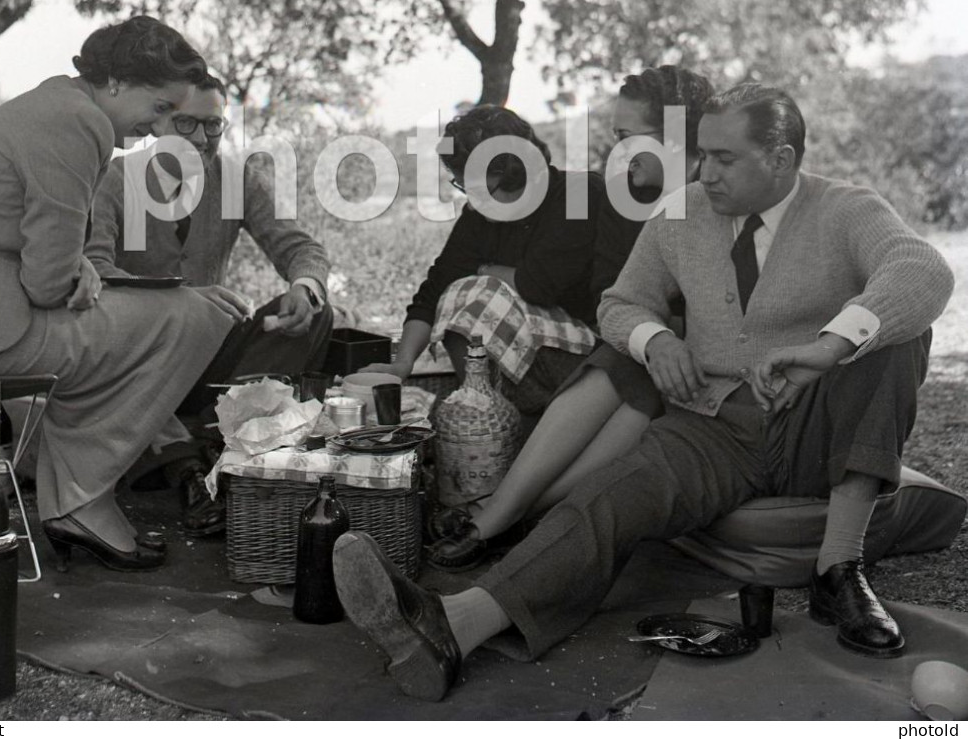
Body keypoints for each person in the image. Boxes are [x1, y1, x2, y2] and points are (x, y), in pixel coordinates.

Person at [331, 83, 954, 701]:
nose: (705, 173)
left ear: (782, 158)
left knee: (898, 338)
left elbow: (922, 270)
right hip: (713, 428)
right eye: (702, 154)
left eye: (724, 159)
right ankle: (456, 624)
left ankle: (838, 568)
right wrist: (656, 340)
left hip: (813, 420)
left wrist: (830, 346)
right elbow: (621, 303)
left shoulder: (846, 208)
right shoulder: (681, 213)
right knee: (605, 498)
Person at [0, 16, 238, 572]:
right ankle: (81, 501)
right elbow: (48, 281)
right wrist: (78, 272)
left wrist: (79, 269)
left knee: (182, 312)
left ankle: (81, 500)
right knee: (197, 316)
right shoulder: (78, 123)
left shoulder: (56, 106)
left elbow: (48, 253)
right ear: (116, 81)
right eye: (159, 108)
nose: (160, 127)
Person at [426, 64, 713, 571]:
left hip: (710, 351)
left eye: (627, 137)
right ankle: (510, 517)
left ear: (675, 139)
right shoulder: (627, 200)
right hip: (646, 349)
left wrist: (665, 331)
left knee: (636, 376)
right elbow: (612, 295)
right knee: (629, 369)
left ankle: (502, 515)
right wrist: (653, 333)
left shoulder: (721, 193)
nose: (616, 150)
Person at [84, 73, 332, 534]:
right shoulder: (115, 180)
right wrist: (179, 299)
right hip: (142, 360)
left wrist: (305, 287)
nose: (202, 138)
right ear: (157, 123)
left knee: (317, 313)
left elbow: (302, 250)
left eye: (213, 125)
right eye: (188, 124)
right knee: (105, 355)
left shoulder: (238, 179)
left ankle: (202, 441)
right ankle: (192, 467)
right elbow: (95, 271)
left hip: (212, 368)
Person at [364, 105, 605, 418]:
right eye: (463, 186)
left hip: (587, 358)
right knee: (457, 293)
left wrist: (483, 271)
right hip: (524, 357)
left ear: (515, 173)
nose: (471, 199)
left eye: (477, 187)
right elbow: (437, 287)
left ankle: (490, 415)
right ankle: (484, 414)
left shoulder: (579, 193)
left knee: (476, 295)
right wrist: (403, 362)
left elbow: (539, 284)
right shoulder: (481, 214)